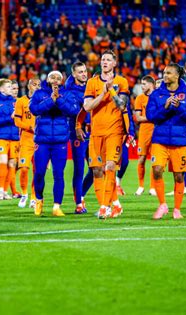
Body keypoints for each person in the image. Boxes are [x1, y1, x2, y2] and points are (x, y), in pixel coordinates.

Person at [147, 63, 186, 219]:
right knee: (156, 170)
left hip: (179, 142)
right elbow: (151, 117)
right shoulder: (156, 95)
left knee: (179, 176)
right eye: (164, 72)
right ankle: (162, 205)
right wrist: (166, 107)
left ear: (177, 76)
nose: (165, 75)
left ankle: (177, 209)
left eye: (168, 73)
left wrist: (179, 108)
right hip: (160, 140)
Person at [83, 50, 130, 219]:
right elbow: (88, 107)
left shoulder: (122, 82)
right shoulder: (92, 83)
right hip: (96, 132)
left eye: (108, 60)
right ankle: (115, 204)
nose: (104, 62)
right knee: (96, 170)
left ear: (114, 64)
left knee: (110, 166)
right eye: (103, 59)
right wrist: (103, 93)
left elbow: (122, 106)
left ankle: (105, 207)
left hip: (114, 132)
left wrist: (112, 91)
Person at [30, 70, 79, 216]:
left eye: (58, 78)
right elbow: (34, 109)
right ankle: (39, 199)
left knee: (58, 174)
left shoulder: (68, 94)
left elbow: (74, 111)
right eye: (53, 77)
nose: (56, 79)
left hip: (60, 142)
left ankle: (57, 206)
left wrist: (59, 100)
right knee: (39, 173)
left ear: (62, 81)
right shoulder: (39, 93)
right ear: (48, 79)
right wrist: (51, 100)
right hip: (42, 141)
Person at [67, 61, 93, 214]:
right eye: (80, 72)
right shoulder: (70, 91)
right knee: (79, 169)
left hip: (93, 132)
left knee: (96, 168)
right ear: (74, 74)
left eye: (85, 71)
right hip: (79, 133)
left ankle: (81, 194)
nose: (84, 74)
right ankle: (78, 203)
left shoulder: (90, 87)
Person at [0, 79, 20, 201]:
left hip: (15, 137)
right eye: (8, 87)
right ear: (1, 89)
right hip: (1, 136)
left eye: (11, 87)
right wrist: (10, 118)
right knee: (3, 161)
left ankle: (6, 191)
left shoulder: (16, 102)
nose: (11, 89)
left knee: (12, 164)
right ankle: (0, 190)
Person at [14, 77, 41, 208]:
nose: (36, 87)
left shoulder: (43, 102)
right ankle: (24, 194)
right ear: (29, 86)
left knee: (38, 171)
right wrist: (29, 127)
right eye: (34, 84)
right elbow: (17, 121)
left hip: (40, 141)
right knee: (24, 169)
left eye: (39, 85)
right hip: (26, 140)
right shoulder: (21, 101)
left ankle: (33, 197)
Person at [134, 75, 156, 196]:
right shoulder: (139, 98)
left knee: (154, 160)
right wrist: (152, 118)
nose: (142, 86)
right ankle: (141, 186)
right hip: (144, 132)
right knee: (141, 159)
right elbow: (138, 118)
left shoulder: (157, 97)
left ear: (151, 84)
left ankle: (153, 187)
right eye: (141, 84)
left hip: (157, 132)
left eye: (144, 84)